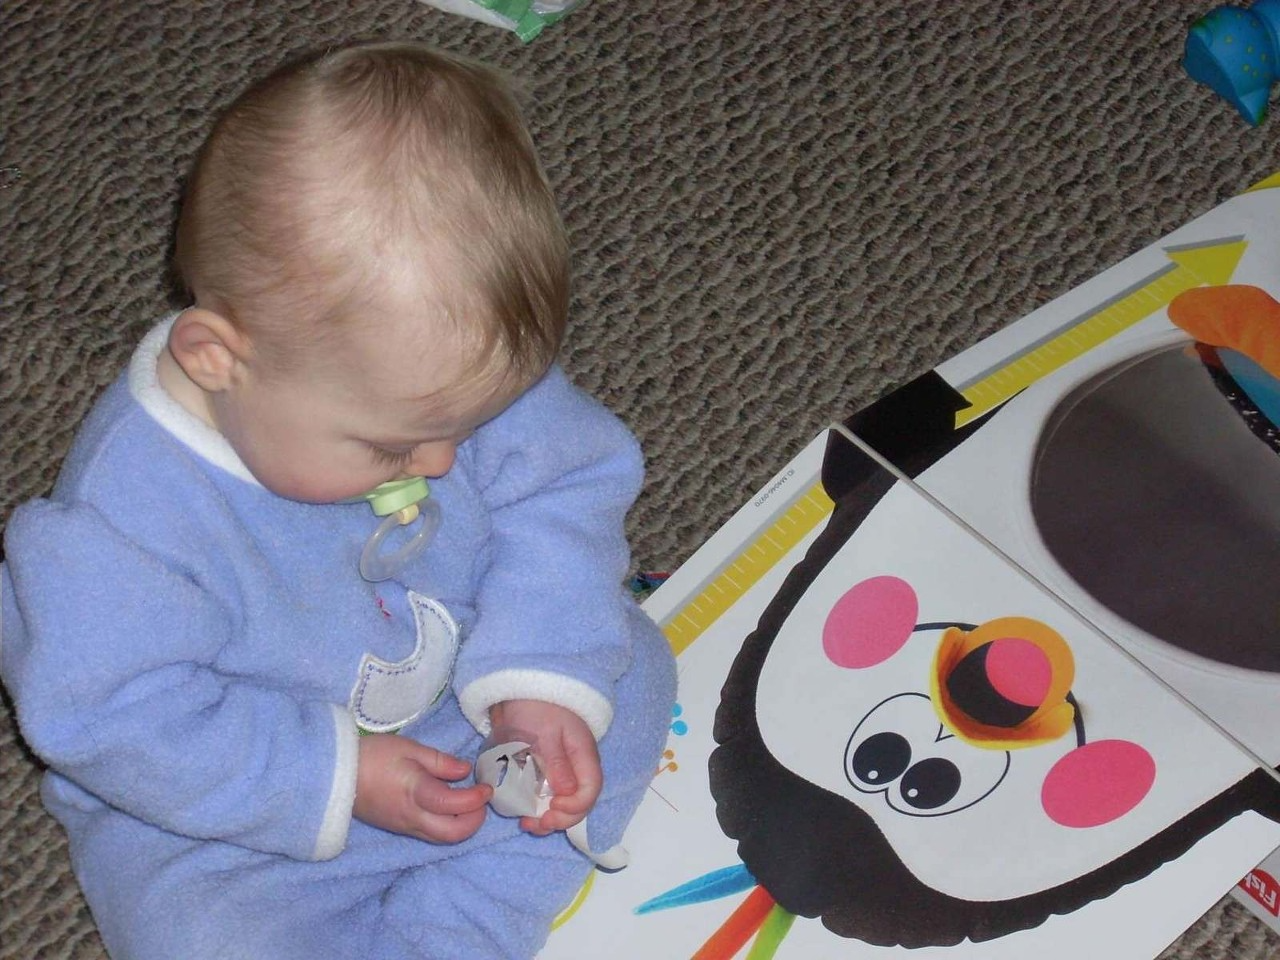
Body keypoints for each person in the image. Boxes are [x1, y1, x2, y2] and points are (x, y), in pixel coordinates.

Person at [0, 41, 675, 960]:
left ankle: (471, 924)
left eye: (467, 423)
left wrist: (537, 686)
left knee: (623, 668)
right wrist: (338, 771)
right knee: (196, 932)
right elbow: (107, 714)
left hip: (464, 696)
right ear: (216, 360)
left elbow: (564, 479)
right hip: (234, 806)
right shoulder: (123, 525)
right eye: (396, 445)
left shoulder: (432, 370)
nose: (442, 461)